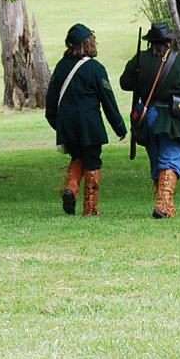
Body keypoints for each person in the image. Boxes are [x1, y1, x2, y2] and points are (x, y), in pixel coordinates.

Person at [119, 22, 180, 219]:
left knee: (158, 161)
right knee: (170, 161)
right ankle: (163, 206)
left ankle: (166, 206)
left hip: (147, 118)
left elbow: (125, 83)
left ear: (150, 42)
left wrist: (141, 76)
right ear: (169, 42)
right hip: (171, 119)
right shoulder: (179, 61)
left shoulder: (139, 59)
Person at [45, 23, 127, 216]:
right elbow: (108, 100)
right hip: (89, 125)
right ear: (87, 43)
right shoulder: (95, 68)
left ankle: (71, 189)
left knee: (77, 157)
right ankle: (90, 208)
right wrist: (119, 127)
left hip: (67, 124)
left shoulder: (61, 67)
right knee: (92, 160)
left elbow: (51, 102)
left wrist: (58, 124)